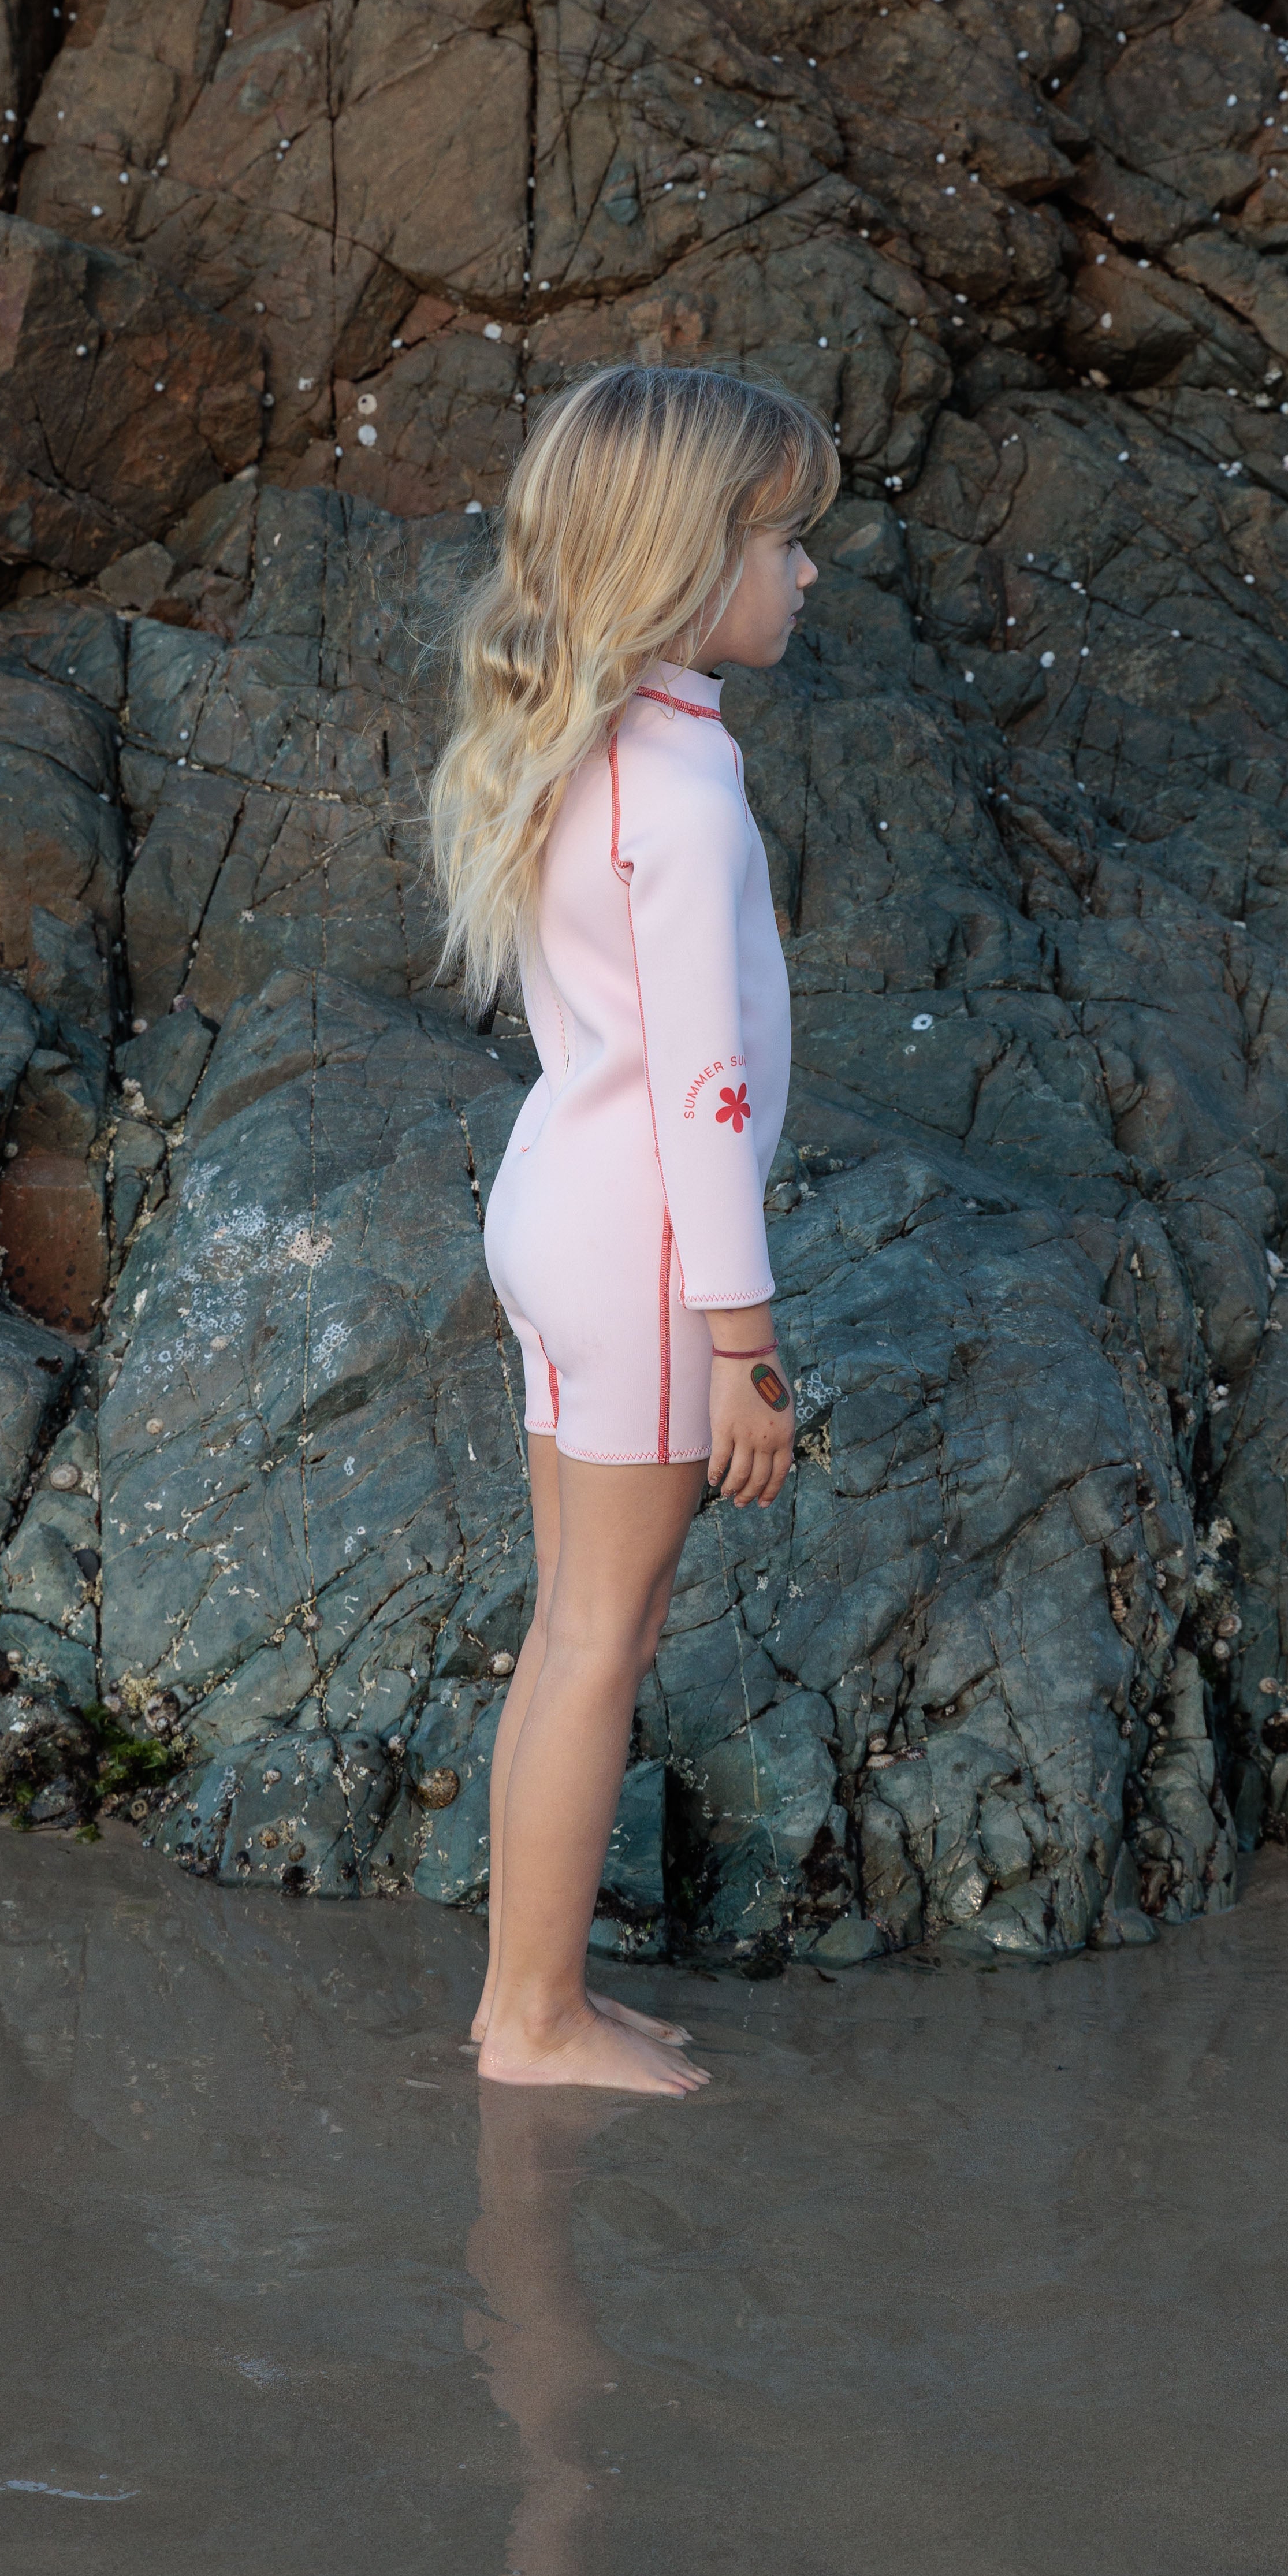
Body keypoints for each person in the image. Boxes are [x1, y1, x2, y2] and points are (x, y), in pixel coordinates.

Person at [426, 362, 837, 2096]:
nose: (807, 573)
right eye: (779, 540)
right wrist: (745, 1348)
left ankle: (525, 1994)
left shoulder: (593, 755)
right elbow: (706, 1096)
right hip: (650, 1250)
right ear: (685, 557)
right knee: (608, 1629)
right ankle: (535, 2019)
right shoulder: (681, 794)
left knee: (574, 1622)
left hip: (560, 1207)